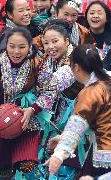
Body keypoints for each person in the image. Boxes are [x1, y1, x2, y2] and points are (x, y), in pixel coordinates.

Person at [0, 27, 59, 179]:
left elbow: (51, 89)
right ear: (6, 45)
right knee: (1, 169)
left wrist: (33, 109)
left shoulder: (38, 64)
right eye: (12, 46)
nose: (16, 52)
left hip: (27, 122)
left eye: (22, 47)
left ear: (29, 47)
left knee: (28, 165)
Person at [44, 44, 111, 178]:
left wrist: (59, 155)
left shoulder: (91, 92)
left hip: (106, 152)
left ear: (76, 67)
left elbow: (76, 126)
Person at [40, 23, 88, 179]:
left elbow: (57, 82)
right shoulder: (47, 59)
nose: (50, 47)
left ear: (67, 41)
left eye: (55, 41)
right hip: (57, 118)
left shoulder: (76, 58)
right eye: (46, 43)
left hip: (81, 115)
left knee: (69, 166)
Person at [85, 0, 111, 70]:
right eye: (92, 13)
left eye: (99, 13)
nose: (95, 16)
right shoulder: (81, 35)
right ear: (86, 17)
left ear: (107, 18)